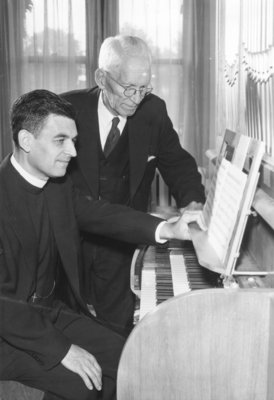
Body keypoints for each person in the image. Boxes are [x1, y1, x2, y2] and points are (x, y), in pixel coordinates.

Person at [0, 89, 200, 400]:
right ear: (26, 141)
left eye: (74, 140)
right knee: (86, 384)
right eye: (61, 140)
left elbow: (99, 213)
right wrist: (63, 350)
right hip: (6, 335)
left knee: (130, 358)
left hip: (48, 313)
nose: (73, 151)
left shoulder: (57, 184)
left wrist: (167, 228)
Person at [61, 34, 205, 335]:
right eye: (128, 88)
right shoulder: (65, 110)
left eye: (144, 89)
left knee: (117, 335)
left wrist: (193, 204)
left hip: (120, 243)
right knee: (68, 329)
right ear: (102, 78)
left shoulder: (152, 112)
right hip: (68, 241)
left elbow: (178, 163)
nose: (136, 98)